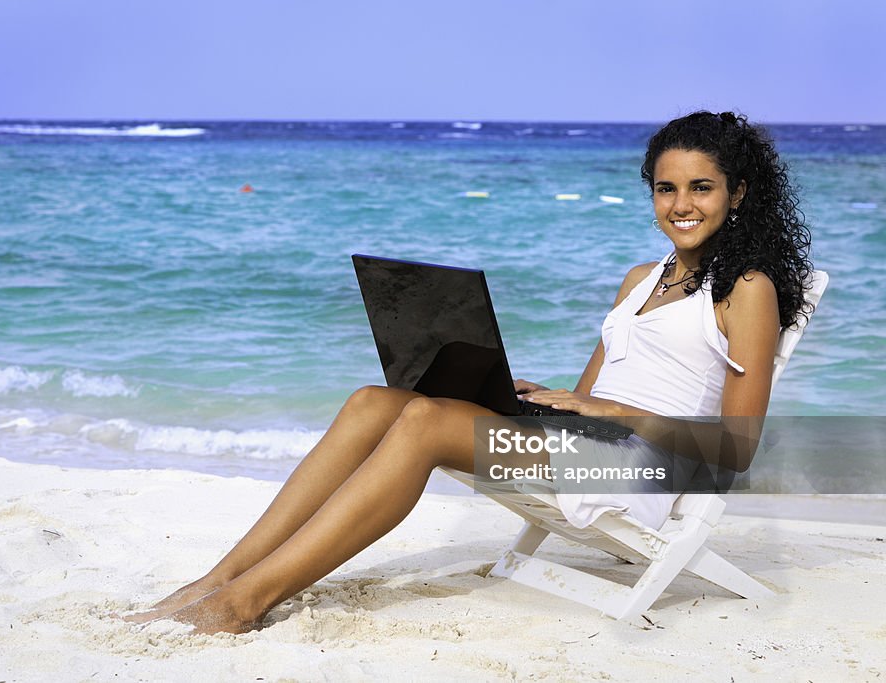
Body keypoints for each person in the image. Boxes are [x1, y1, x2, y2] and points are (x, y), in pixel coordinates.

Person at [123, 111, 812, 634]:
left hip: (636, 468)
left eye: (701, 187)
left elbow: (736, 449)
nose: (681, 203)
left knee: (424, 421)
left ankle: (244, 603)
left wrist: (607, 416)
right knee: (374, 400)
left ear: (738, 192)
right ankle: (218, 577)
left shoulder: (747, 288)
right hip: (586, 444)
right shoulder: (640, 279)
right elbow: (587, 395)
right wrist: (528, 394)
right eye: (666, 187)